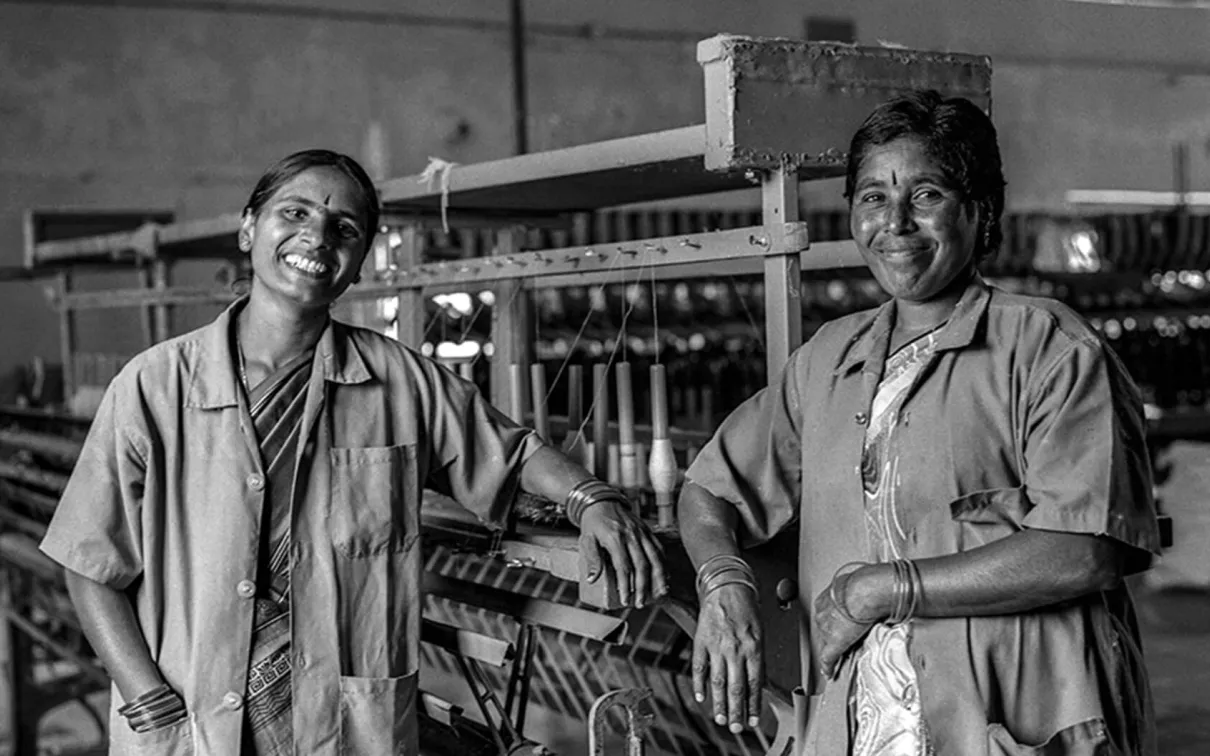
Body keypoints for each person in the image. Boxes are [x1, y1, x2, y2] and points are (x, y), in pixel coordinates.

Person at [40, 149, 667, 755]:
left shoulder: (399, 381)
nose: (316, 238)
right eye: (294, 214)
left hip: (343, 721)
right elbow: (89, 560)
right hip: (191, 714)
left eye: (344, 228)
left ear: (360, 261)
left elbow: (513, 451)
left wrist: (593, 501)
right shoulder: (155, 386)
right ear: (248, 229)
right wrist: (147, 700)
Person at [679, 91, 1159, 756]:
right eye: (873, 196)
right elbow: (710, 489)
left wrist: (884, 589)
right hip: (866, 724)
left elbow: (1085, 549)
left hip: (1014, 719)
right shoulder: (828, 360)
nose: (894, 222)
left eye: (925, 194)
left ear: (980, 210)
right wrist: (723, 585)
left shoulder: (1047, 346)